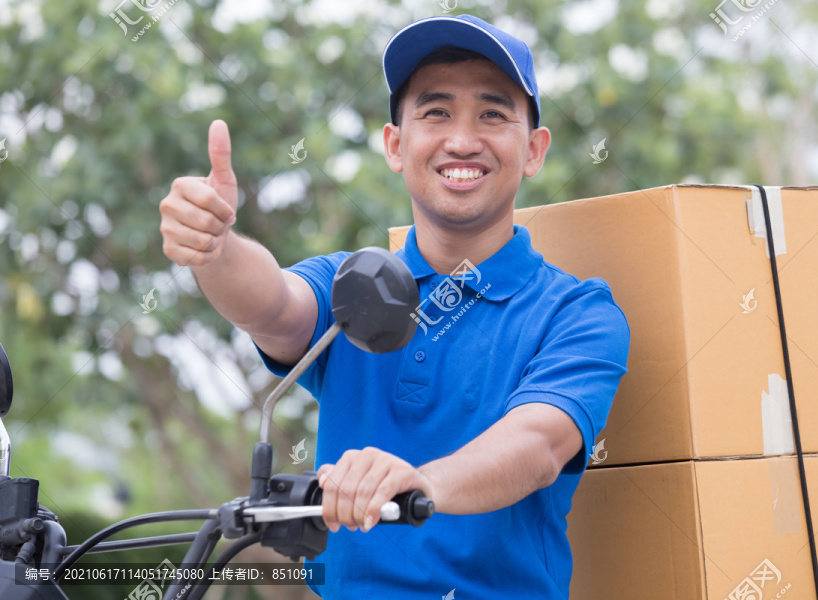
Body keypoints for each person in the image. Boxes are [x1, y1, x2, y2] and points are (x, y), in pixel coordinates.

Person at [159, 14, 629, 599]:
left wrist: (419, 482)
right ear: (395, 146)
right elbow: (274, 306)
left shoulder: (578, 313)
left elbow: (537, 447)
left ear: (533, 150)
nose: (462, 139)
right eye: (435, 112)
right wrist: (215, 247)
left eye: (492, 113)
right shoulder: (354, 282)